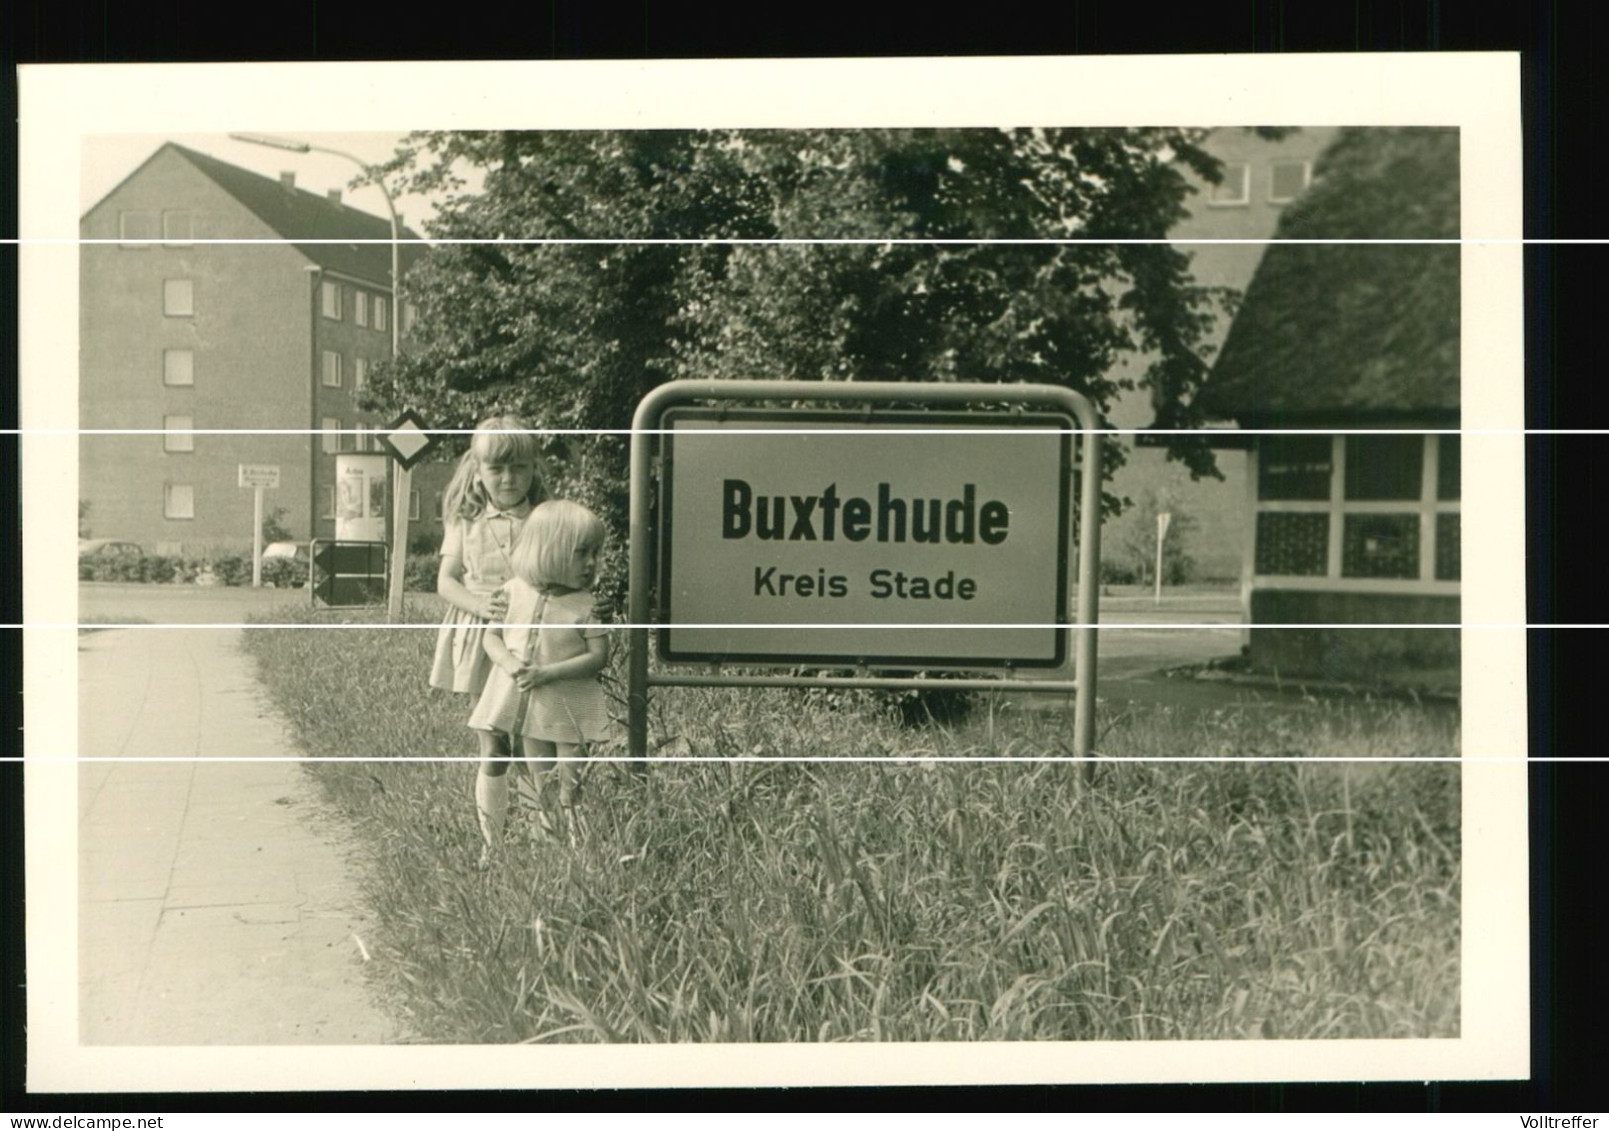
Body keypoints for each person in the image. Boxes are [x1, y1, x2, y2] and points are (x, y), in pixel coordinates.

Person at [429, 415, 546, 867]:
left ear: (534, 468)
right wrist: (480, 608)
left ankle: (544, 836)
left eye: (518, 467)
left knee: (537, 736)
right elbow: (446, 580)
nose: (508, 479)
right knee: (494, 739)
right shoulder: (467, 521)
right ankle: (492, 845)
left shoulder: (543, 518)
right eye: (496, 469)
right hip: (483, 636)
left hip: (533, 638)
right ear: (477, 470)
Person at [469, 500, 612, 846]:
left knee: (571, 781)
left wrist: (547, 673)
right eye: (581, 554)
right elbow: (492, 637)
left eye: (595, 553)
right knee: (540, 778)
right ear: (549, 550)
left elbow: (598, 657)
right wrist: (508, 663)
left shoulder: (586, 604)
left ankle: (576, 847)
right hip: (528, 704)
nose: (592, 563)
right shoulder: (512, 592)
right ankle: (538, 844)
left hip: (570, 705)